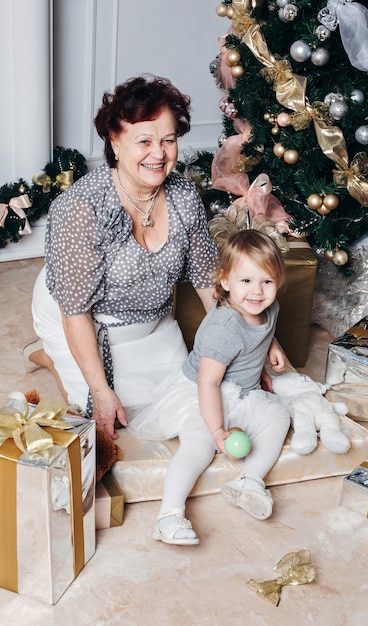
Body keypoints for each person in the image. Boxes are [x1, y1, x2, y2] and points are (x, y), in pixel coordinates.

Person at [23, 74, 217, 439]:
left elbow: (209, 282)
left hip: (152, 322)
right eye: (144, 141)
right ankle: (53, 355)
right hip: (81, 321)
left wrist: (255, 341)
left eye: (168, 140)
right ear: (114, 139)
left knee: (180, 404)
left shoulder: (183, 195)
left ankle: (60, 361)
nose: (158, 154)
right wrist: (99, 389)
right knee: (101, 416)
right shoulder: (80, 207)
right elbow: (76, 311)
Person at [127, 229, 291, 545]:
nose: (257, 291)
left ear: (278, 282)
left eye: (266, 282)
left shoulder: (268, 308)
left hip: (243, 389)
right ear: (225, 281)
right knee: (198, 447)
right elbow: (209, 382)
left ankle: (250, 480)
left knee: (278, 416)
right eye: (246, 281)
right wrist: (217, 431)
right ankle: (169, 515)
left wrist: (271, 348)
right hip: (204, 393)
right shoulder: (223, 328)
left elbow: (261, 332)